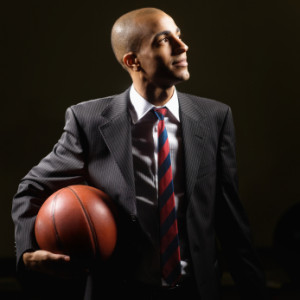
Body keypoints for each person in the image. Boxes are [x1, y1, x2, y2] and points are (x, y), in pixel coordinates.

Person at [12, 7, 269, 300]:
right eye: (163, 40)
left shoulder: (214, 117)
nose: (183, 46)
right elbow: (30, 190)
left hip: (197, 289)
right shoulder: (89, 121)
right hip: (120, 289)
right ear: (133, 60)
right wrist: (28, 252)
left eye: (179, 35)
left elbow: (231, 221)